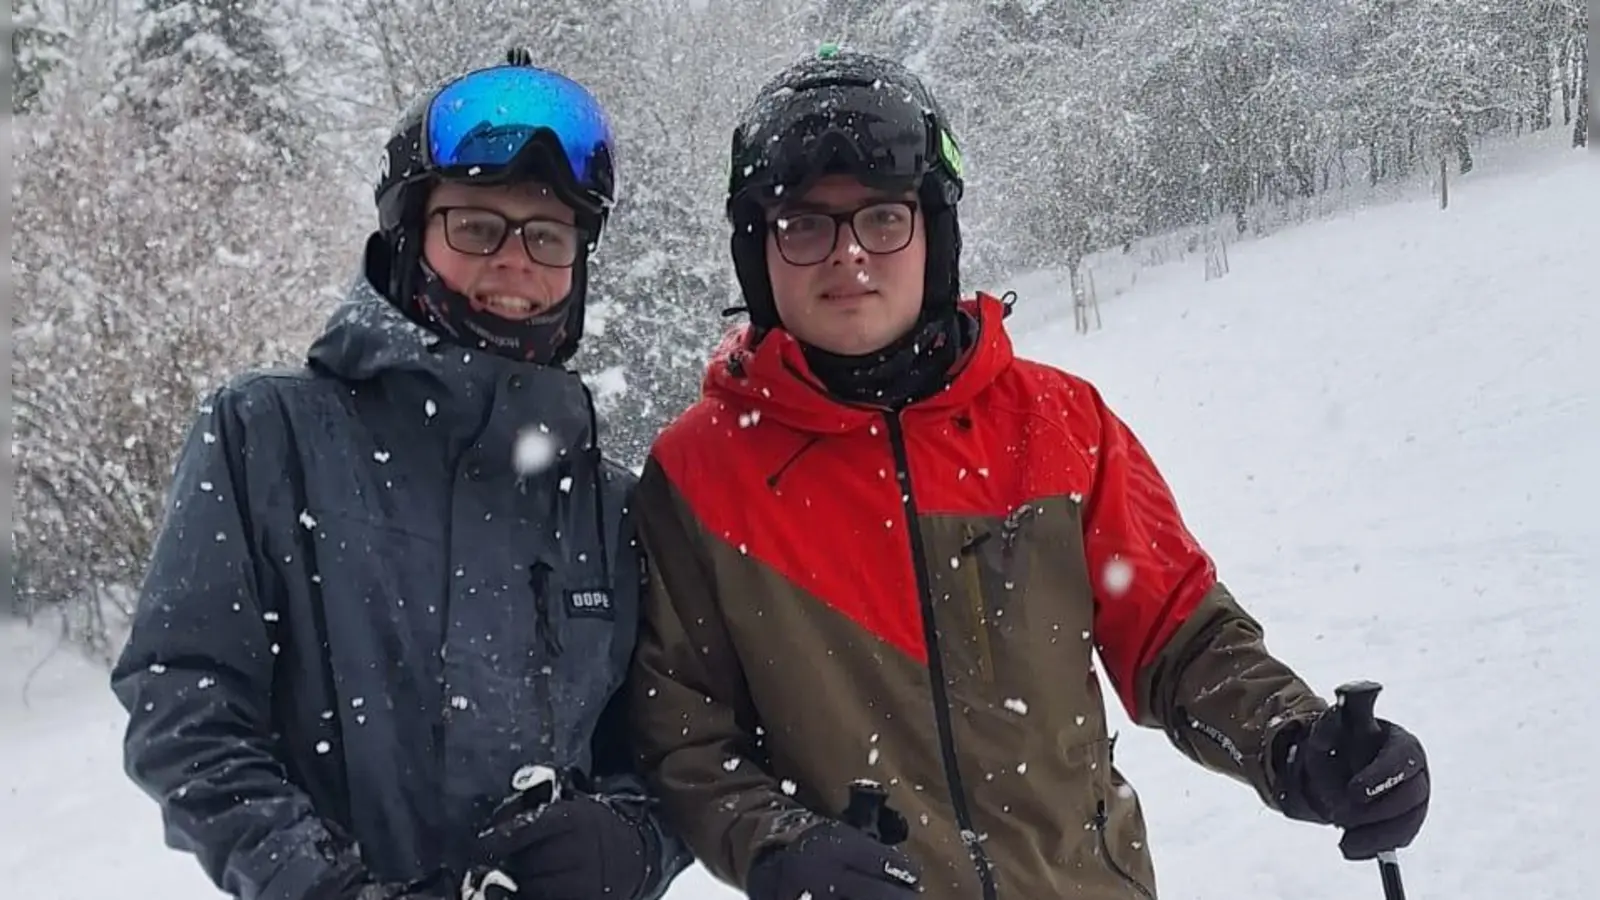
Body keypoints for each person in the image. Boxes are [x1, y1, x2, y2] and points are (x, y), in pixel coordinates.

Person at [625, 46, 1430, 900]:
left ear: (935, 231)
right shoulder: (699, 474)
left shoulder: (1056, 424)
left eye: (884, 218)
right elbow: (683, 738)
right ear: (761, 251)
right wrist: (777, 845)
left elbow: (1179, 640)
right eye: (805, 225)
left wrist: (1298, 743)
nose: (849, 256)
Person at [111, 50, 689, 900]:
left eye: (548, 235)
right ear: (408, 237)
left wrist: (635, 841)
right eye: (476, 227)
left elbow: (665, 750)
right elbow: (185, 708)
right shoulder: (266, 436)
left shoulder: (610, 507)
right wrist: (321, 883)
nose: (515, 262)